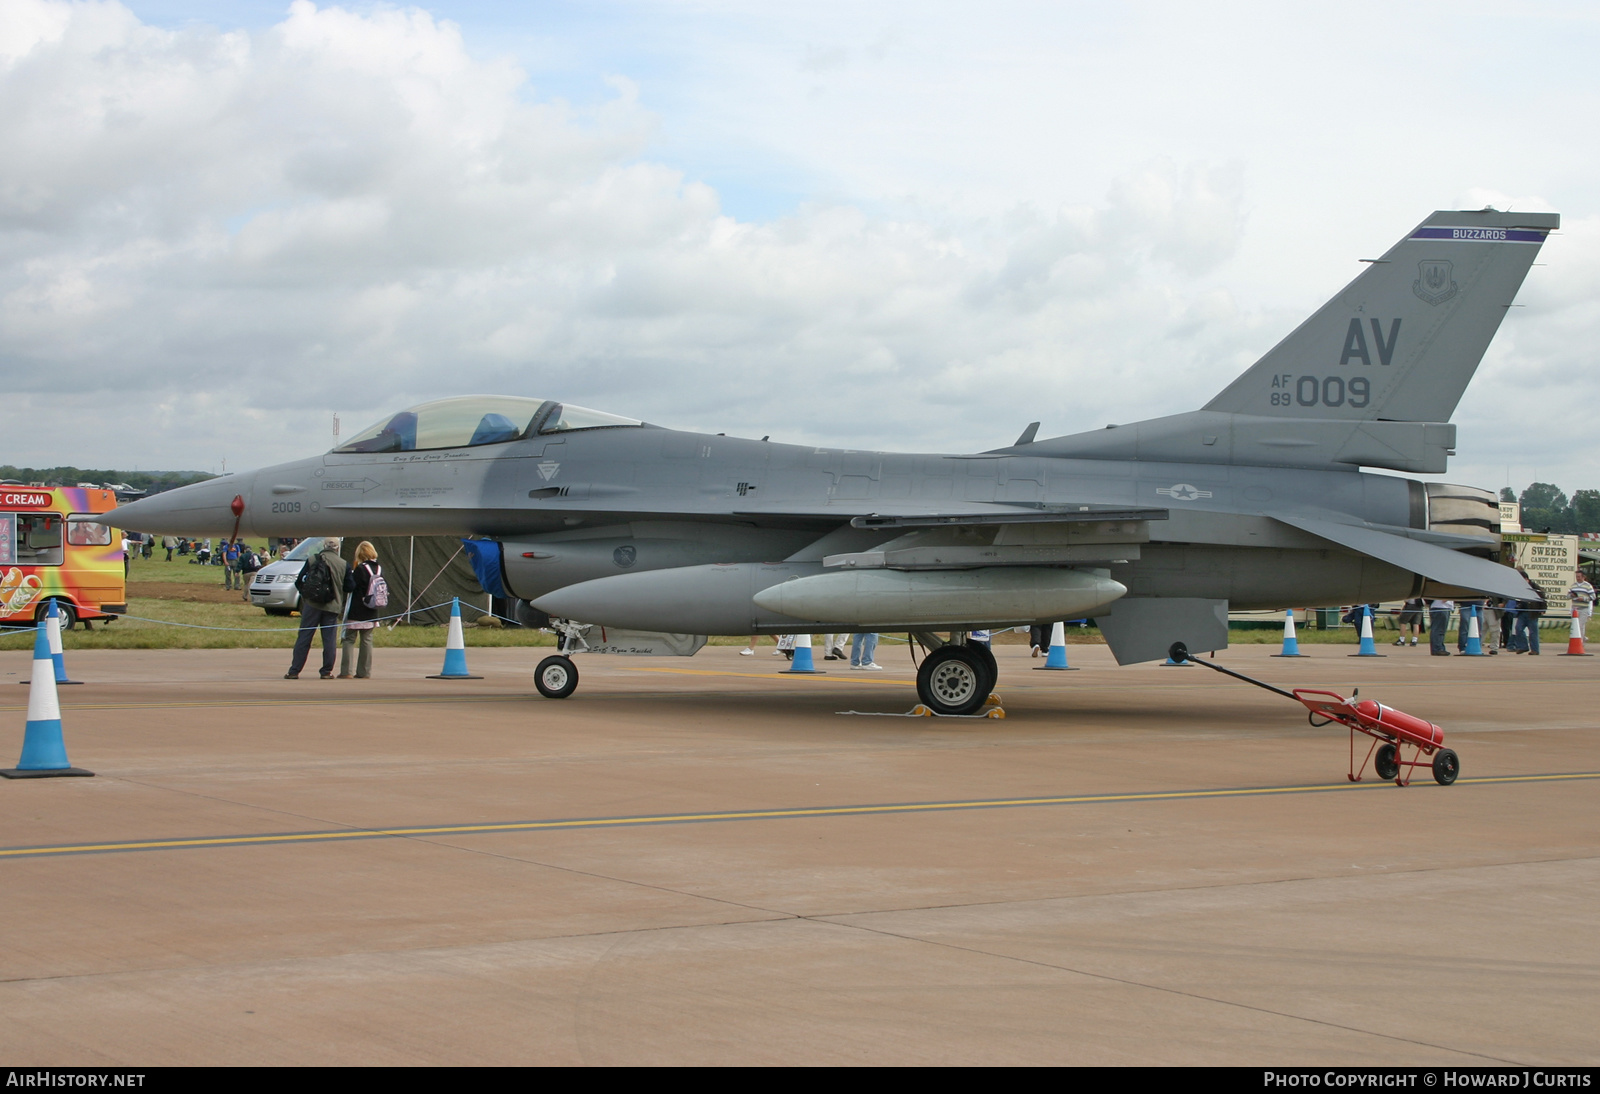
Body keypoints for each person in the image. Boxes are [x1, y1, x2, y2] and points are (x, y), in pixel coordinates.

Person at [286, 537, 348, 680]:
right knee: (329, 640)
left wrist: (306, 596)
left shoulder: (313, 559)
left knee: (304, 637)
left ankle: (294, 671)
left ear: (324, 546)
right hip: (332, 606)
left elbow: (299, 580)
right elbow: (349, 586)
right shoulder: (343, 564)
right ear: (337, 548)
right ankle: (326, 671)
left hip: (312, 605)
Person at [339, 541, 382, 679]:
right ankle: (364, 672)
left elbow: (351, 587)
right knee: (367, 640)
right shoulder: (379, 568)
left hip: (357, 609)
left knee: (349, 639)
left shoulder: (360, 569)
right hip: (372, 609)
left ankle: (346, 671)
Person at [1569, 571, 1594, 637]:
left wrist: (1583, 599)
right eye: (1577, 576)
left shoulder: (1588, 586)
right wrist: (1572, 595)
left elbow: (1593, 597)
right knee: (1575, 626)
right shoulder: (1573, 585)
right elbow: (1568, 596)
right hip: (1574, 609)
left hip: (1583, 608)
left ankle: (1580, 642)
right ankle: (1579, 640)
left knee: (1580, 626)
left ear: (1583, 577)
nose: (1577, 578)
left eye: (1579, 576)